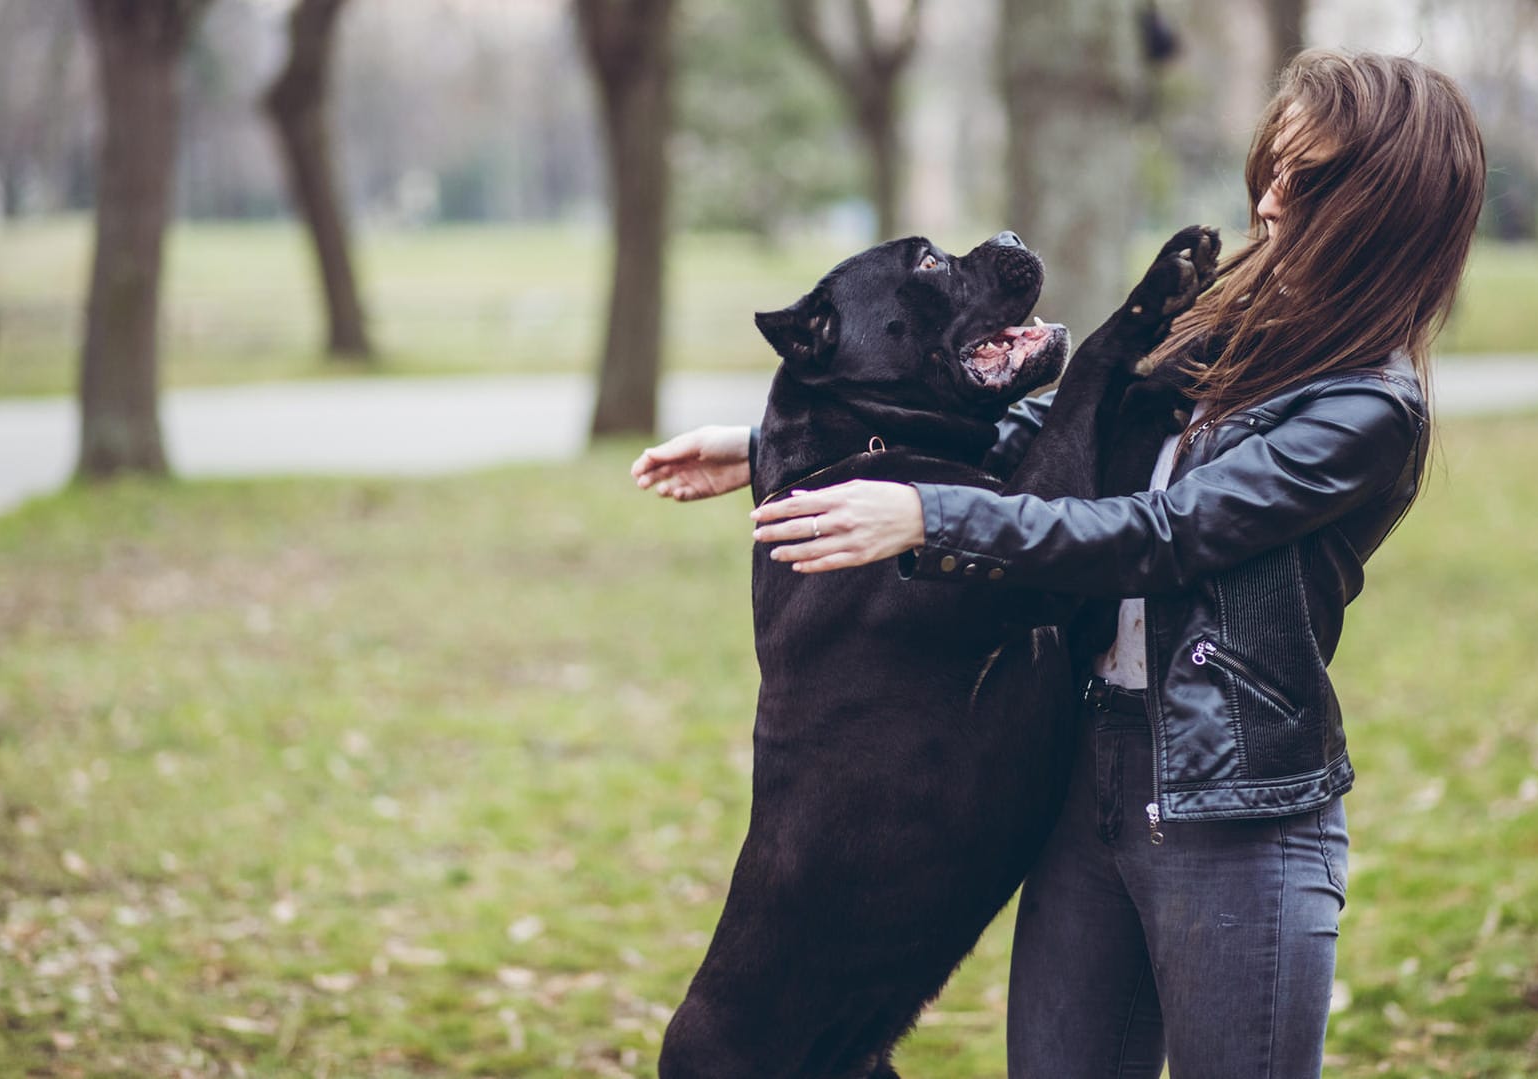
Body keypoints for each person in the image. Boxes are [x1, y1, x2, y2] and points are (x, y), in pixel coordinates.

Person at [634, 48, 1485, 1079]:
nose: (1266, 201)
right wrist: (780, 443)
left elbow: (1160, 530)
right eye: (1271, 167)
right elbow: (1069, 447)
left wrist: (927, 516)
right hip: (1092, 780)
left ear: (1386, 207)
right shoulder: (1241, 331)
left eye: (1304, 181)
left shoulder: (1366, 409)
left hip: (1232, 810)